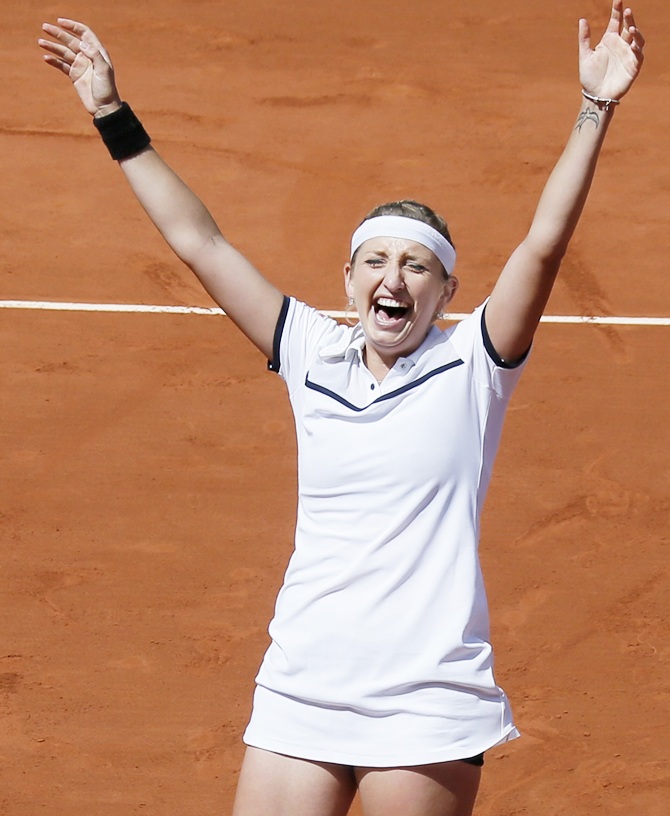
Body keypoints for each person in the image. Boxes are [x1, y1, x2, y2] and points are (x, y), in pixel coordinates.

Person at [39, 3, 644, 814]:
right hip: (303, 689)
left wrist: (594, 107)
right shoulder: (309, 349)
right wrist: (112, 114)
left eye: (418, 267)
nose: (394, 278)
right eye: (376, 261)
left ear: (448, 293)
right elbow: (200, 242)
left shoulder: (474, 364)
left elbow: (543, 242)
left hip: (426, 703)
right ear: (350, 280)